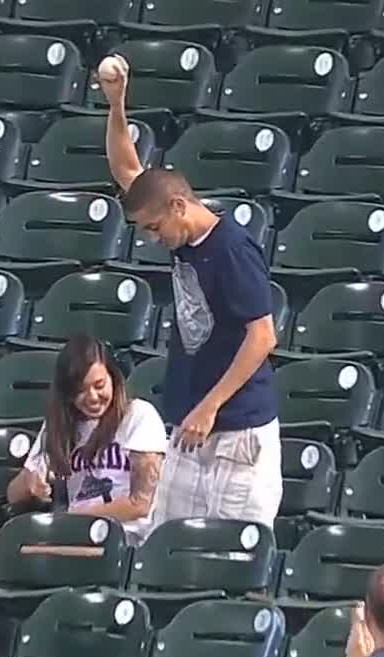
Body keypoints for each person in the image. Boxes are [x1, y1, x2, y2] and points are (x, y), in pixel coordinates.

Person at [97, 55, 283, 529]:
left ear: (180, 206)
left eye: (155, 226)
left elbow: (262, 337)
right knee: (168, 545)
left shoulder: (231, 249)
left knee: (231, 554)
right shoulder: (178, 229)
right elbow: (126, 168)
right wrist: (117, 103)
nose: (152, 237)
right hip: (191, 424)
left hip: (236, 431)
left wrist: (211, 404)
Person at [0, 335, 167, 586]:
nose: (92, 397)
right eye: (80, 391)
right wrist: (30, 483)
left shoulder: (138, 415)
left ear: (114, 379)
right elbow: (14, 494)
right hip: (67, 532)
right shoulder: (61, 426)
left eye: (99, 385)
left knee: (29, 553)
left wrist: (74, 517)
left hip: (121, 537)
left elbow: (139, 504)